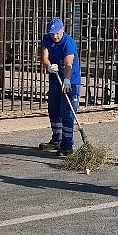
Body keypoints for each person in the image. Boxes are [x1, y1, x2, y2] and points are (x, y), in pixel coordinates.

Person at [39, 18, 81, 156]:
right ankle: (57, 139)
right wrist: (48, 66)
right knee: (53, 109)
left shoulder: (69, 43)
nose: (55, 36)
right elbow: (44, 57)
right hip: (55, 79)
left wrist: (67, 80)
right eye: (52, 34)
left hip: (70, 80)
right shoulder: (47, 39)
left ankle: (67, 145)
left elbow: (68, 63)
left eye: (57, 33)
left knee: (67, 112)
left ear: (63, 29)